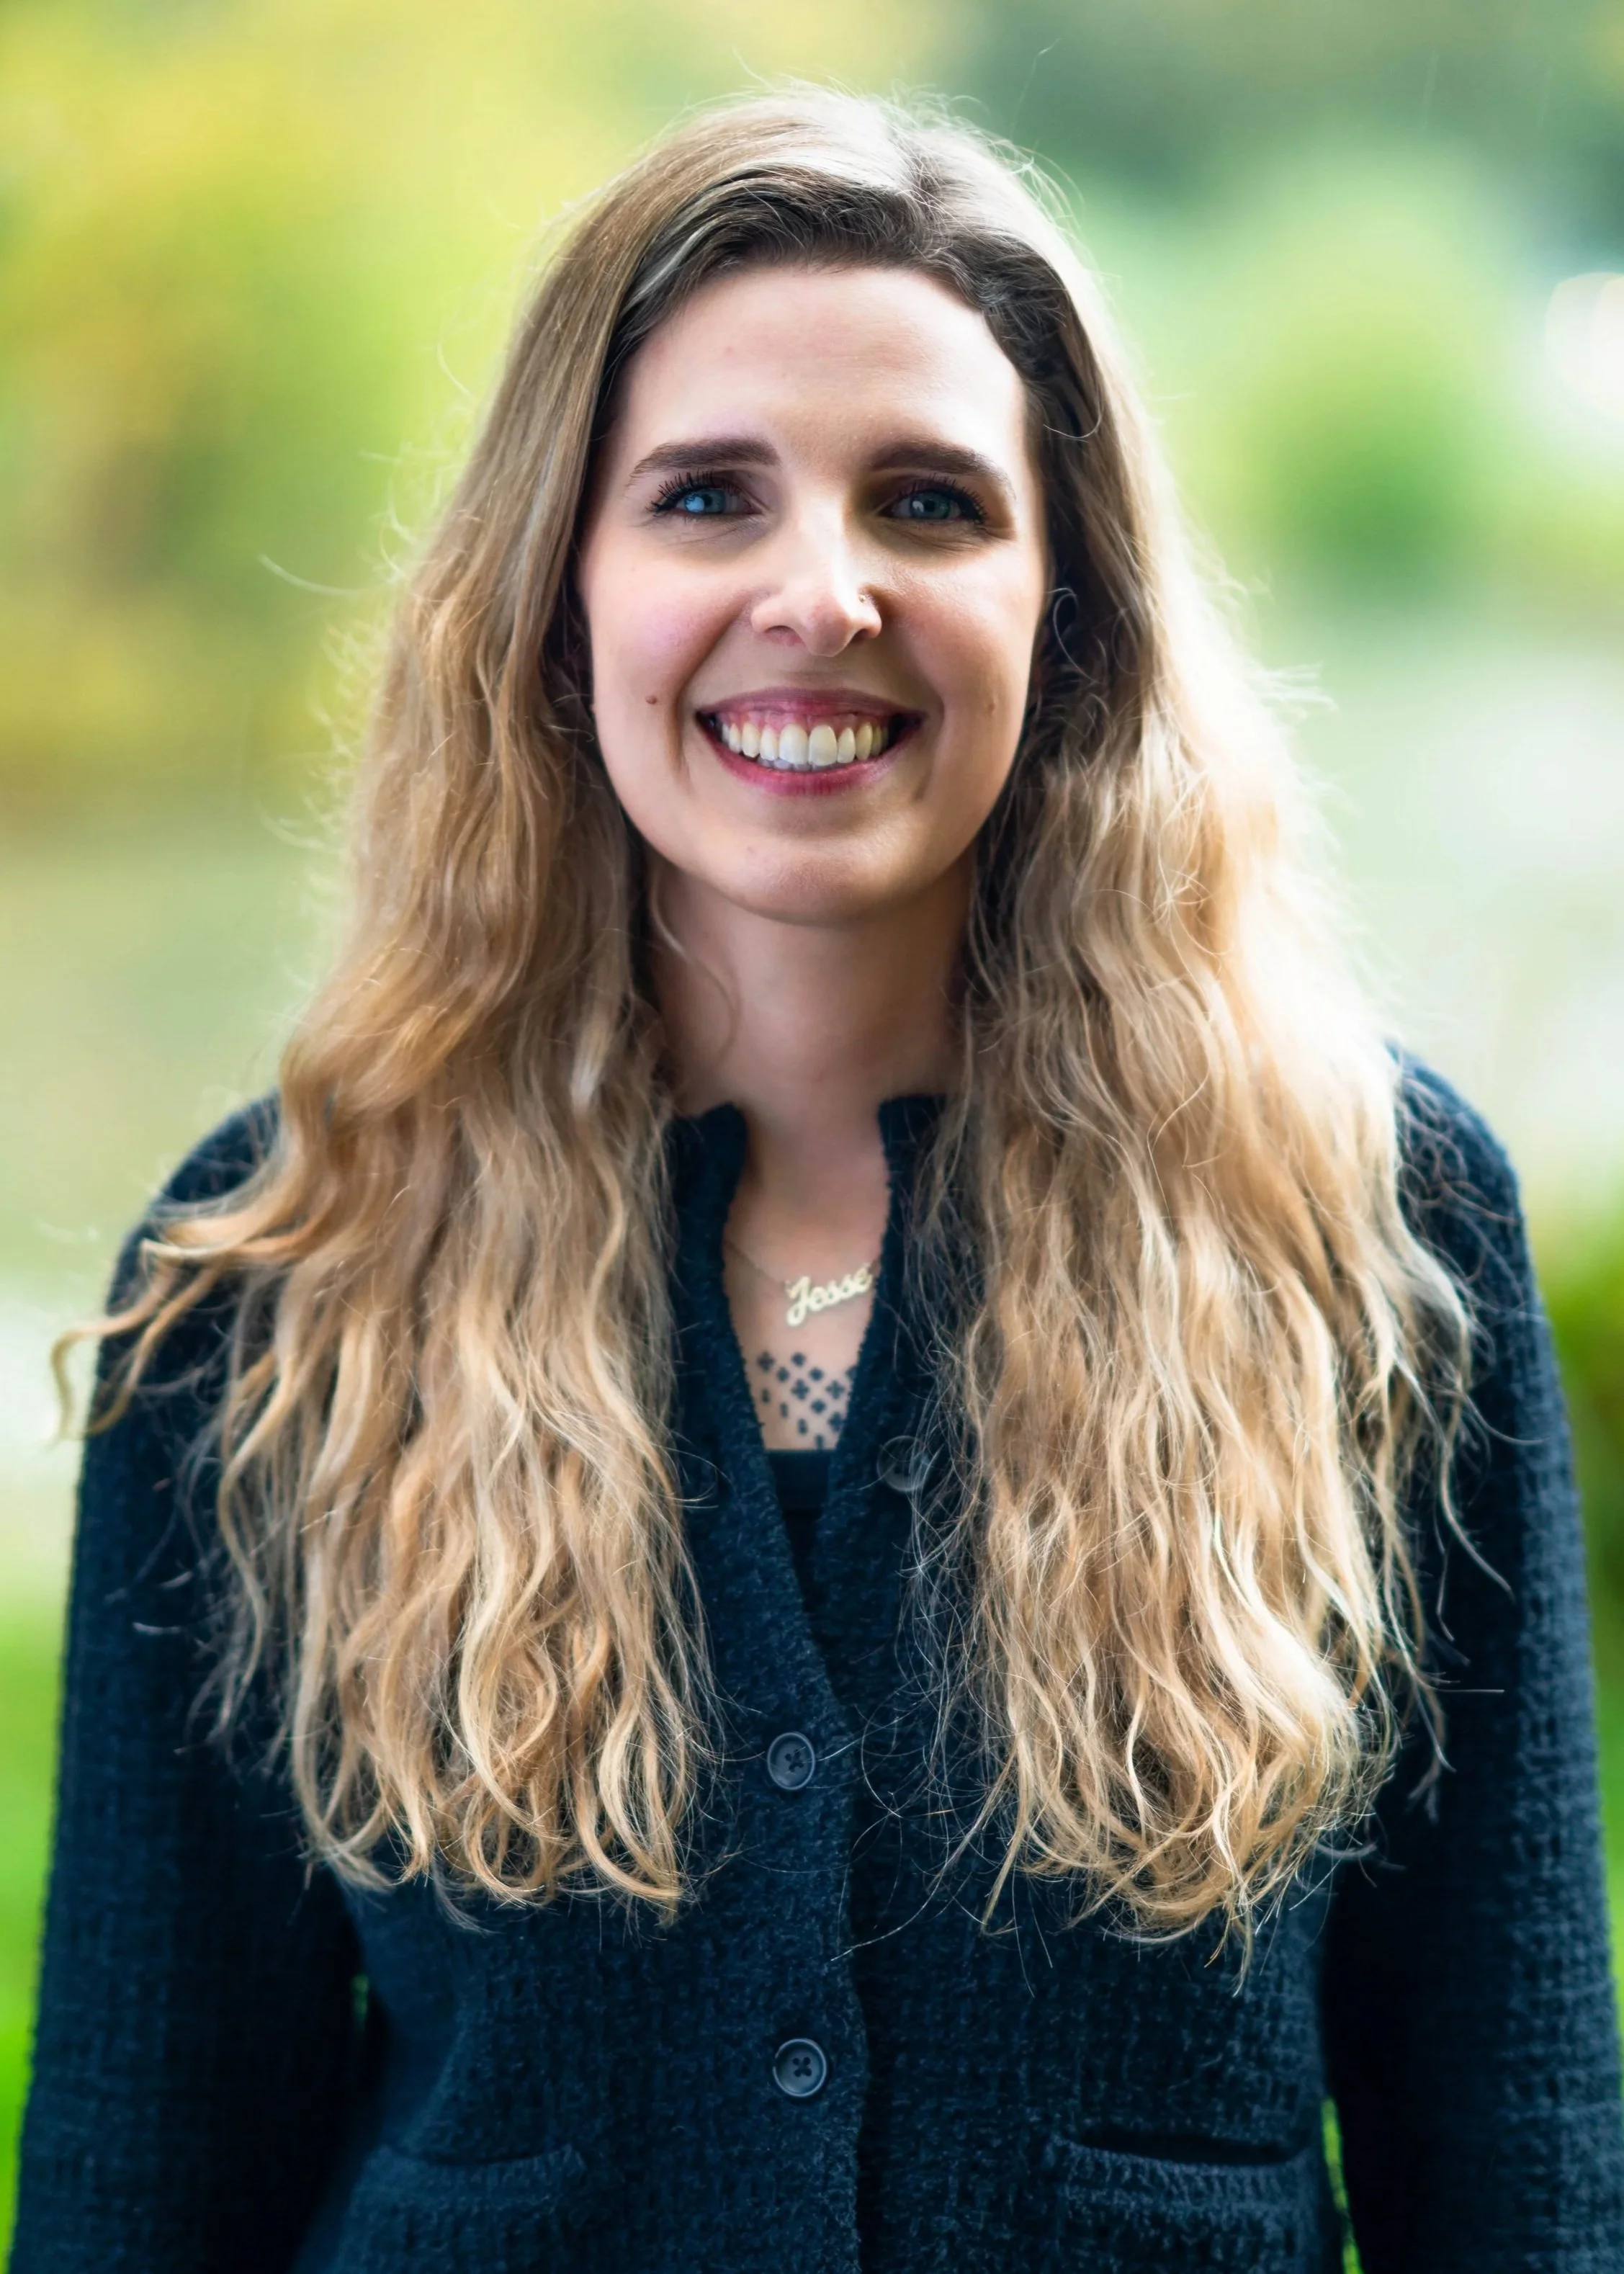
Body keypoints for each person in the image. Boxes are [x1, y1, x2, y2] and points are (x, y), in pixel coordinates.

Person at [11, 89, 1623, 2274]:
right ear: (558, 589)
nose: (819, 591)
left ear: (1065, 610)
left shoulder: (1363, 1218)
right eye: (703, 497)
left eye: (931, 502)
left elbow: (1512, 2144)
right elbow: (139, 2166)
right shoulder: (282, 1268)